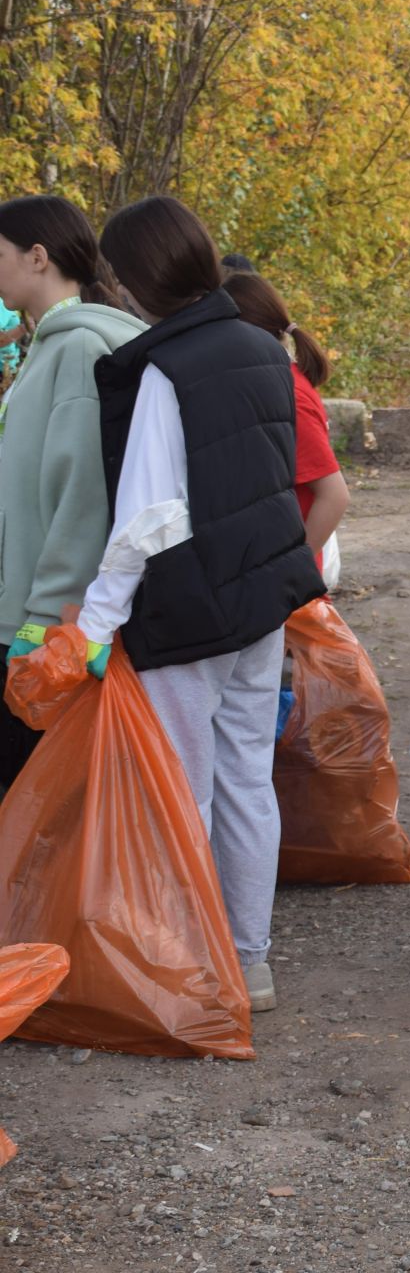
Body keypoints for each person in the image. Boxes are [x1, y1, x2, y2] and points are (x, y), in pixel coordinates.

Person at [75, 195, 325, 1013]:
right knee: (249, 780)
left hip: (186, 612)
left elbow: (145, 517)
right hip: (260, 599)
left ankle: (190, 966)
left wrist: (92, 626)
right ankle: (249, 961)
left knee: (182, 789)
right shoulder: (259, 347)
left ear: (138, 274)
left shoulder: (160, 369)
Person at [0, 194, 148, 789]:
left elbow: (81, 495)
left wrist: (42, 620)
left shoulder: (81, 348)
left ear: (37, 257)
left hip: (39, 626)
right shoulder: (45, 348)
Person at [222, 273, 350, 576]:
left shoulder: (288, 392)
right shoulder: (277, 381)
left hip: (284, 589)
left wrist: (288, 573)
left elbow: (334, 496)